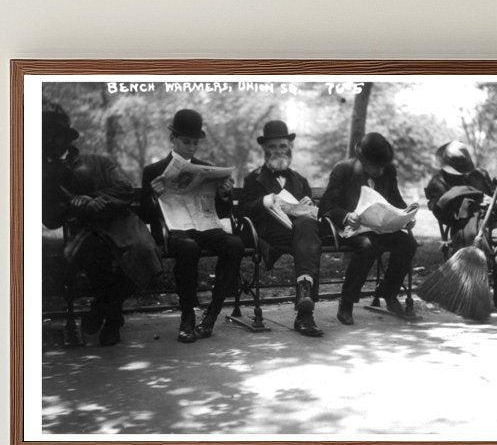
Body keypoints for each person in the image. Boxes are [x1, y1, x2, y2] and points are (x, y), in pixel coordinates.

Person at [42, 101, 161, 346]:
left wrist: (96, 199)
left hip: (122, 223)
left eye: (57, 136)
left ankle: (101, 308)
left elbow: (126, 190)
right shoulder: (42, 174)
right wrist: (74, 206)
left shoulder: (98, 161)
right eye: (46, 136)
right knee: (98, 259)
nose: (52, 142)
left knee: (145, 252)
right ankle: (113, 322)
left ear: (68, 139)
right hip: (86, 230)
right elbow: (49, 217)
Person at [141, 109, 244, 343]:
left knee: (235, 244)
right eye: (186, 141)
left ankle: (212, 313)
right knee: (188, 248)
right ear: (173, 139)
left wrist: (225, 194)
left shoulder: (206, 168)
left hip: (204, 226)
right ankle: (187, 315)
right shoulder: (154, 171)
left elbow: (221, 211)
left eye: (195, 143)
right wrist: (153, 196)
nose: (191, 147)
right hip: (174, 229)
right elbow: (145, 214)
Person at [319, 132, 418, 325]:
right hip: (352, 228)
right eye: (375, 167)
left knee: (408, 243)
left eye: (383, 166)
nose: (380, 171)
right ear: (362, 160)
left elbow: (395, 200)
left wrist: (406, 216)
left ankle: (388, 293)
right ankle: (347, 301)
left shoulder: (388, 170)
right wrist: (346, 216)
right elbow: (326, 205)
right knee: (367, 246)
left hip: (381, 227)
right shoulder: (343, 170)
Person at [240, 119, 324, 337]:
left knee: (306, 226)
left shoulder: (300, 180)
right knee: (309, 238)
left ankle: (304, 302)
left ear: (290, 148)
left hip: (300, 236)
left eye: (283, 146)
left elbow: (309, 212)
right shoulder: (253, 179)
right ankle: (305, 313)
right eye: (273, 147)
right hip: (269, 234)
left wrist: (309, 208)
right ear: (264, 150)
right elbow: (242, 212)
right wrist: (267, 201)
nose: (278, 151)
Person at [425, 140, 497, 314]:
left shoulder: (479, 175)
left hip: (491, 221)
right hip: (464, 225)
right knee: (471, 239)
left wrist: (493, 202)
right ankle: (467, 297)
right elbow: (441, 212)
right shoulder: (439, 182)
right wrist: (468, 203)